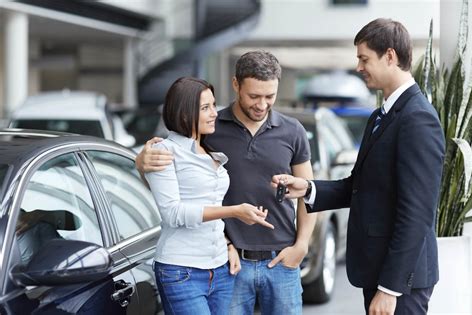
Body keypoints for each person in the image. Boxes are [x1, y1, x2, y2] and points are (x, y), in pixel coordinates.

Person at [272, 18, 445, 315]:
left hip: (401, 281)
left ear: (390, 56)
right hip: (379, 271)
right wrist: (309, 189)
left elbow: (417, 212)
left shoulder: (418, 119)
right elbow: (360, 185)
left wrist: (390, 289)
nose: (358, 67)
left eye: (364, 58)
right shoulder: (380, 115)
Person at [136, 51, 316, 314]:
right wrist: (140, 163)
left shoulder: (293, 131)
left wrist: (301, 246)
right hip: (230, 263)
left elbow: (309, 193)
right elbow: (172, 171)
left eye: (270, 96)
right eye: (254, 96)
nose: (262, 105)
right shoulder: (209, 126)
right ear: (236, 84)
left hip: (282, 260)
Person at [144, 76, 274, 315]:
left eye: (213, 105)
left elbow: (210, 204)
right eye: (205, 108)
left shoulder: (207, 150)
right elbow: (173, 213)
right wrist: (235, 211)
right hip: (182, 270)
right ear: (184, 113)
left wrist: (227, 244)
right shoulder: (164, 151)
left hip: (220, 267)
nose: (214, 113)